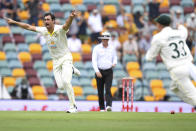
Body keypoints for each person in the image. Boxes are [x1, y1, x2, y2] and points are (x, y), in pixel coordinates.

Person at [5, 11, 81, 113]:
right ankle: (71, 69)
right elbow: (28, 27)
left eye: (48, 19)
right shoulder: (44, 30)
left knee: (67, 82)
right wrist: (14, 22)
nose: (46, 21)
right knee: (61, 87)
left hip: (66, 58)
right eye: (45, 20)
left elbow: (66, 25)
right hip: (56, 61)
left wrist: (71, 17)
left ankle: (73, 107)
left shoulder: (59, 29)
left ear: (53, 21)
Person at [146, 14, 196, 108]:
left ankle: (195, 103)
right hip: (190, 65)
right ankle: (194, 104)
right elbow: (184, 30)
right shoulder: (179, 32)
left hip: (177, 69)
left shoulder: (158, 37)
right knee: (174, 87)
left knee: (193, 94)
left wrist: (155, 49)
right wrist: (180, 25)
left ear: (159, 25)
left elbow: (149, 57)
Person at [92, 32, 117, 112]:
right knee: (100, 90)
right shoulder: (96, 48)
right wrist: (97, 71)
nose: (105, 41)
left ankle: (109, 105)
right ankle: (102, 108)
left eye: (106, 39)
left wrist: (114, 63)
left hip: (109, 71)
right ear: (102, 39)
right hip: (99, 71)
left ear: (108, 40)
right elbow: (94, 60)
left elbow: (115, 57)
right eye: (104, 39)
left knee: (108, 89)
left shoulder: (112, 48)